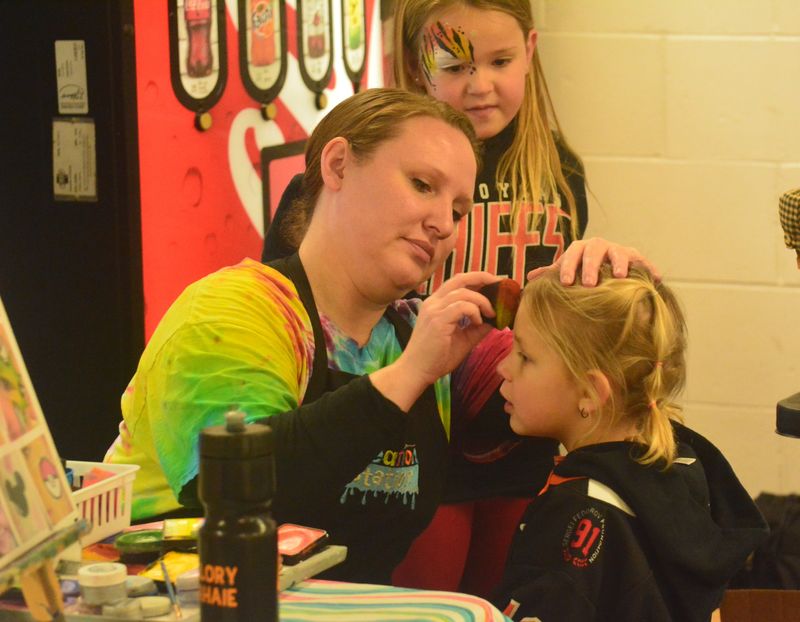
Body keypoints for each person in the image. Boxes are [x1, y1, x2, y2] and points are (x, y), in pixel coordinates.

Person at [106, 88, 500, 583]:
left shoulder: (420, 335)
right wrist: (409, 375)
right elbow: (238, 495)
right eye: (422, 184)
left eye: (459, 211)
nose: (443, 223)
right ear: (337, 165)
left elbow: (559, 383)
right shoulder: (231, 311)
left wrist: (590, 290)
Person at [493, 265, 768, 621]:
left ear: (590, 392)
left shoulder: (579, 514)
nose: (503, 368)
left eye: (525, 357)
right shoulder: (683, 466)